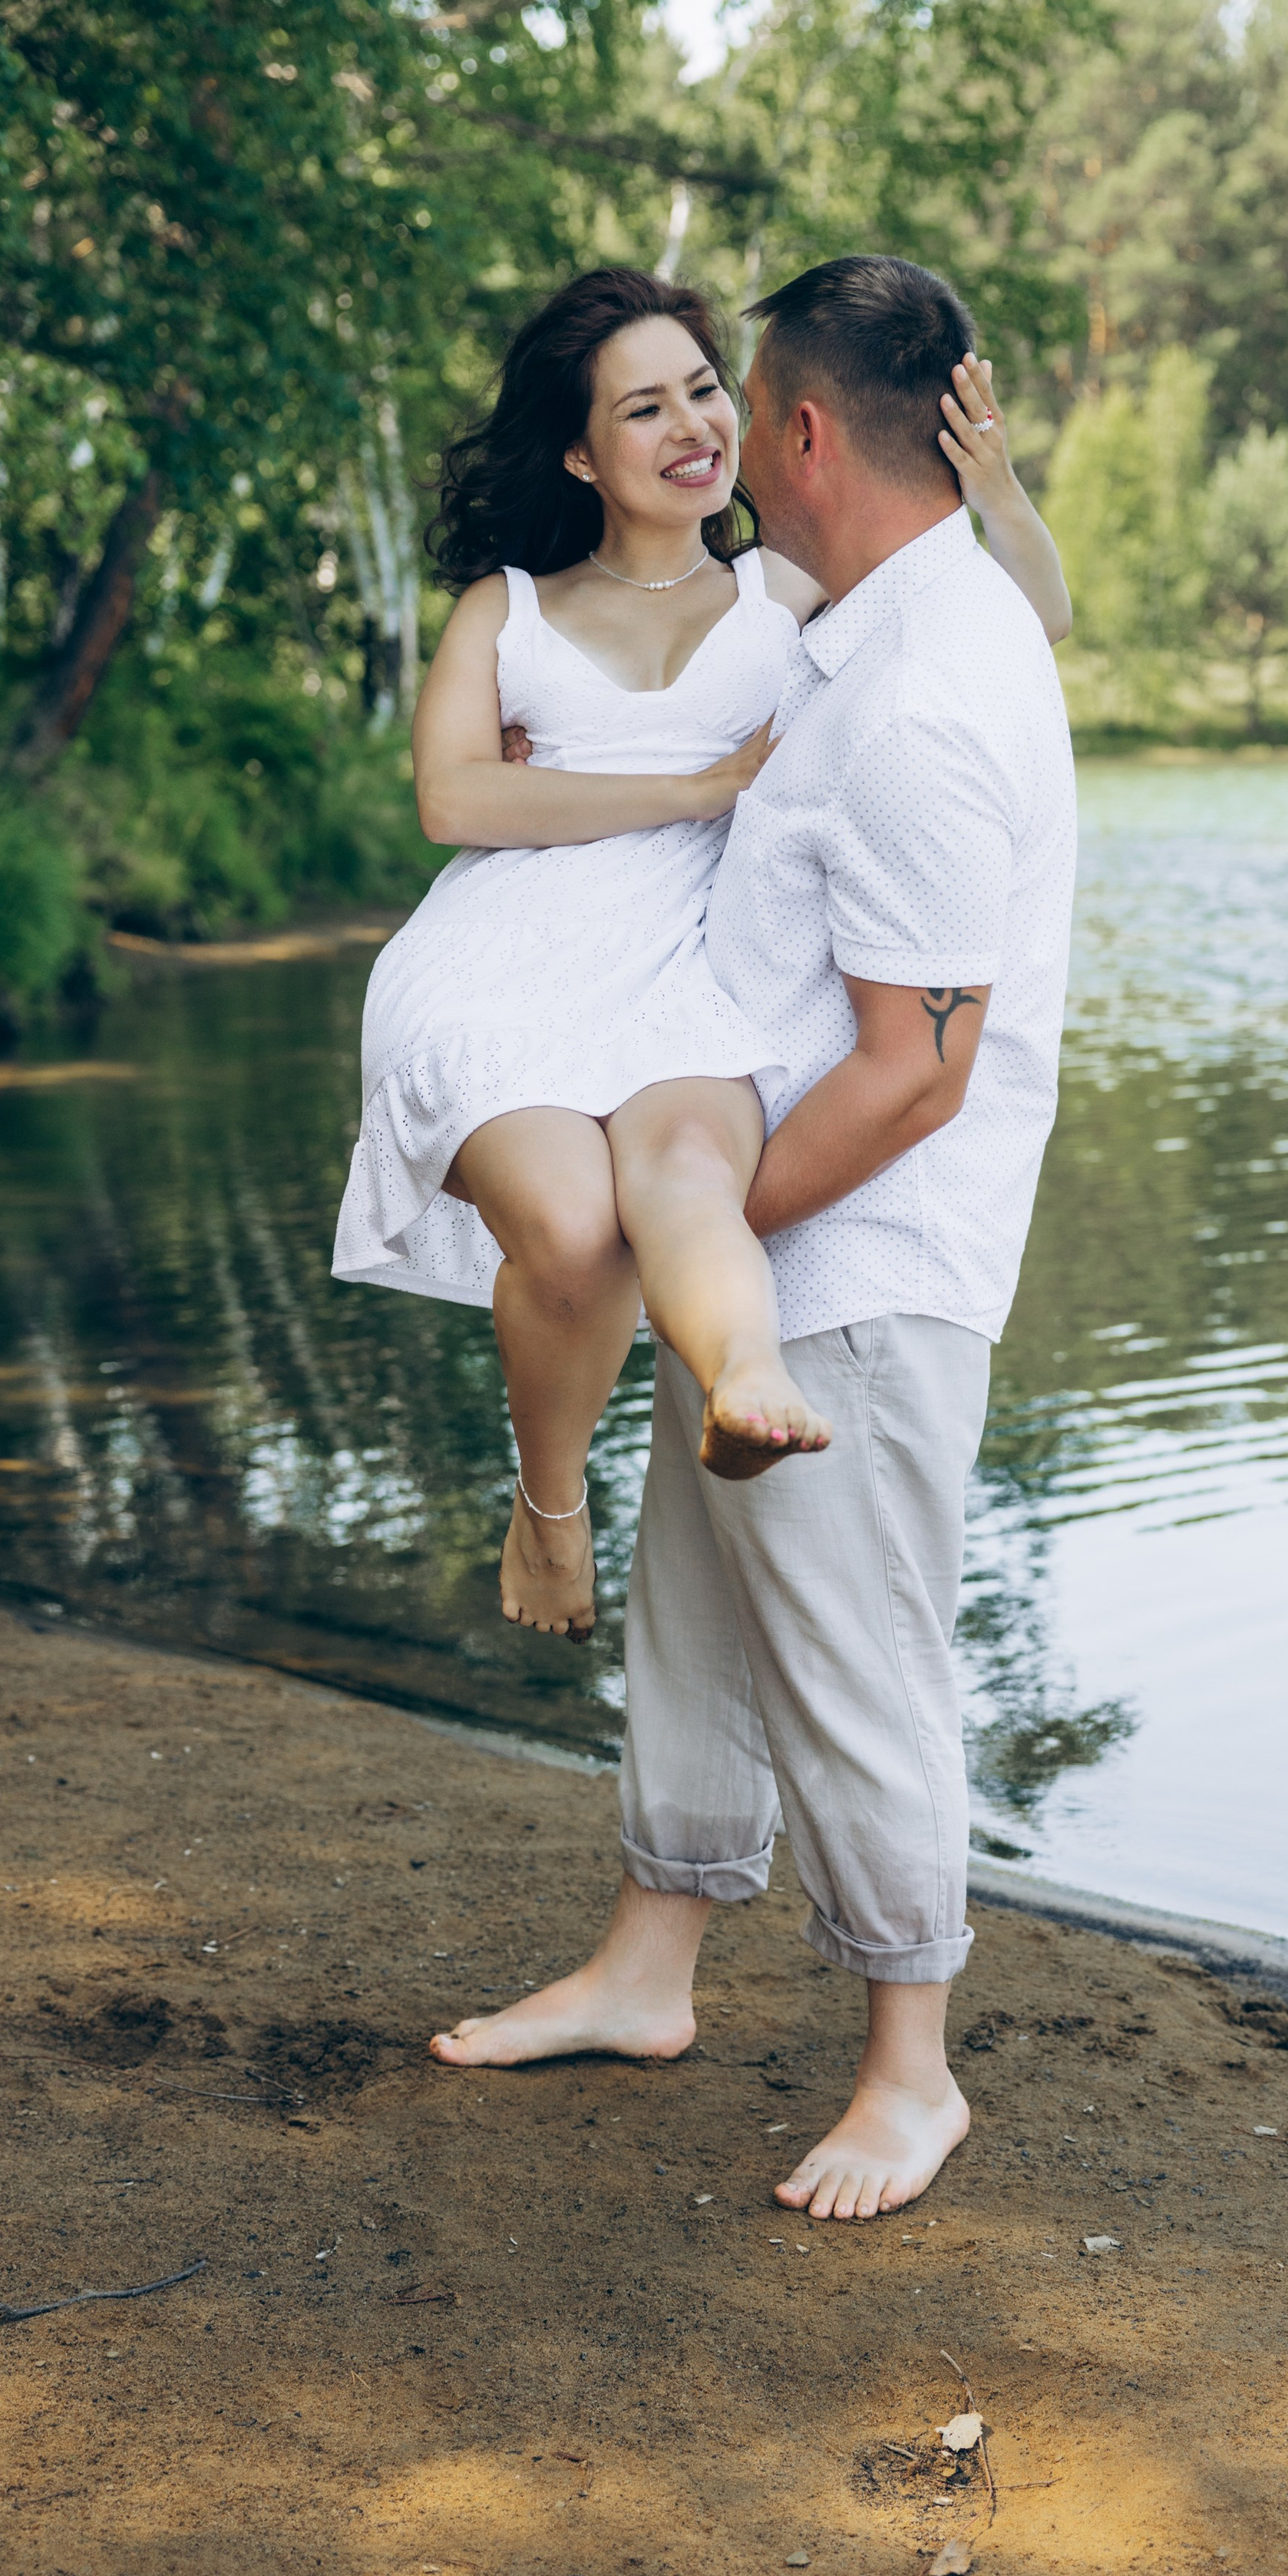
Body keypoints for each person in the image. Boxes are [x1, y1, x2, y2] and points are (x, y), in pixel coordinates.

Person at [430, 255, 1079, 2230]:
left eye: (735, 402)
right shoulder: (873, 622)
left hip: (861, 1255)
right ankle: (650, 1967)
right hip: (767, 1240)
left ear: (797, 433)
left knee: (856, 1650)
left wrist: (671, 1235)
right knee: (698, 1613)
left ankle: (911, 2067)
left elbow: (913, 1081)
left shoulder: (917, 705)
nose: (710, 440)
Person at [331, 265, 1068, 1645]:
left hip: (692, 967)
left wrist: (997, 489)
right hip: (511, 954)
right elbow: (455, 801)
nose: (693, 425)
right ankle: (551, 1507)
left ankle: (745, 1381)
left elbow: (1027, 622)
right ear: (579, 451)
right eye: (644, 407)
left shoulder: (778, 593)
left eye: (707, 389)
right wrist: (689, 789)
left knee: (679, 1177)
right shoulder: (507, 607)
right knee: (563, 1223)